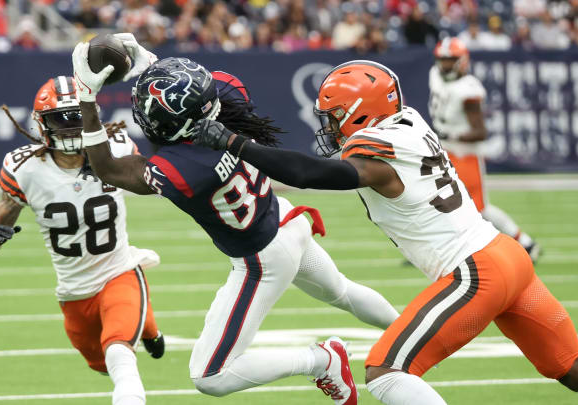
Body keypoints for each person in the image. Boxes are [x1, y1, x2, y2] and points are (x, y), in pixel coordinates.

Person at [192, 59, 578, 405]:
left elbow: (311, 174)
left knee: (384, 370)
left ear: (359, 111)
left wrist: (236, 143)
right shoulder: (408, 120)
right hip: (506, 255)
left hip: (476, 272)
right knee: (577, 369)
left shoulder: (375, 149)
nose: (330, 125)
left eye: (335, 115)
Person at [72, 38, 400, 405]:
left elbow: (109, 168)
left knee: (210, 375)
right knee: (342, 291)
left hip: (262, 259)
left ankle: (321, 360)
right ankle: (408, 333)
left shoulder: (182, 170)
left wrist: (87, 97)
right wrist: (153, 64)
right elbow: (197, 89)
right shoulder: (225, 102)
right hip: (286, 219)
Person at [0, 74, 165, 405]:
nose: (71, 127)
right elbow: (0, 212)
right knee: (100, 363)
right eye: (60, 120)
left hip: (119, 271)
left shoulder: (116, 149)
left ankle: (142, 334)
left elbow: (153, 179)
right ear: (40, 124)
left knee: (119, 351)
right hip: (74, 290)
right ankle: (148, 324)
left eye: (77, 117)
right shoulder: (25, 168)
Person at [429, 37, 540, 261]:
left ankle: (524, 242)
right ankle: (438, 250)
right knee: (437, 201)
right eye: (443, 60)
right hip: (445, 151)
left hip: (464, 154)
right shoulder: (435, 75)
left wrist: (451, 134)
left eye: (451, 60)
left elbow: (480, 131)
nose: (446, 65)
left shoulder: (469, 90)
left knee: (479, 208)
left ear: (462, 61)